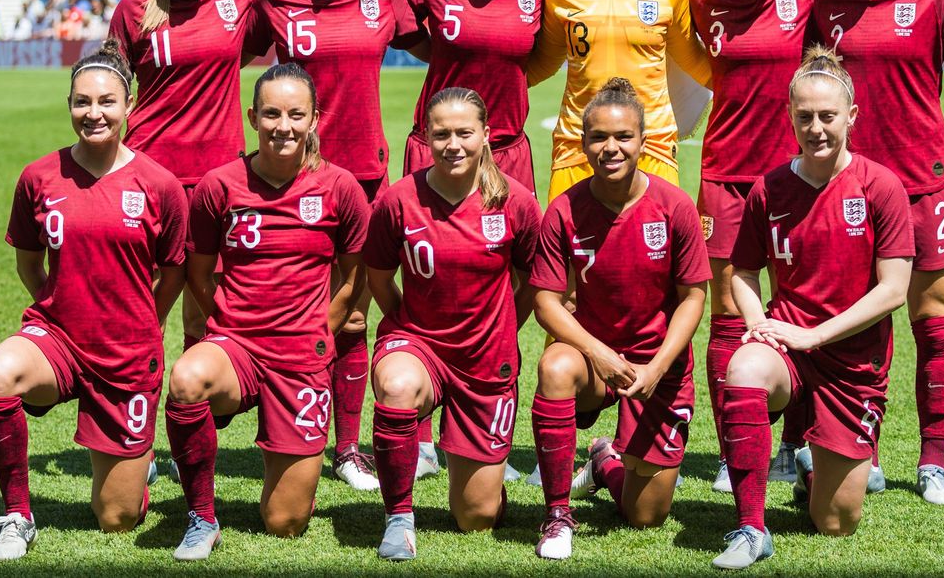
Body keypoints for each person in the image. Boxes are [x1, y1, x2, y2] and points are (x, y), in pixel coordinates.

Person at [687, 0, 944, 494]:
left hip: (795, 174)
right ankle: (735, 451)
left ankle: (808, 443)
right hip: (726, 173)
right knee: (729, 314)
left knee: (809, 303)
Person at [809, 0, 944, 506]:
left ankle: (932, 462)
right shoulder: (824, 2)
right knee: (858, 327)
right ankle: (866, 448)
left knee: (932, 323)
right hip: (852, 190)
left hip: (925, 184)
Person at [0, 41, 188, 560]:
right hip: (59, 339)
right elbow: (29, 262)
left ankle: (135, 470)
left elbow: (176, 271)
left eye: (106, 102)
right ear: (69, 103)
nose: (93, 113)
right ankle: (17, 514)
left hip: (127, 355)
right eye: (81, 102)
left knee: (116, 520)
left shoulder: (160, 185)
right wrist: (57, 304)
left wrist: (148, 323)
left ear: (129, 105)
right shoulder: (38, 177)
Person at [712, 47, 913, 570]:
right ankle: (752, 527)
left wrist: (817, 335)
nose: (816, 128)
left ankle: (808, 466)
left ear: (852, 116)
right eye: (805, 117)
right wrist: (758, 323)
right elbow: (743, 272)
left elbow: (893, 289)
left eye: (828, 116)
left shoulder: (880, 186)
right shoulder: (770, 188)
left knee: (836, 522)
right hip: (790, 347)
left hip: (853, 363)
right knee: (743, 368)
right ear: (790, 117)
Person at [163, 64, 368, 560]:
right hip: (237, 348)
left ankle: (290, 458)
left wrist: (324, 329)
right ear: (252, 117)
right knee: (188, 378)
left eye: (296, 115)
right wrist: (225, 322)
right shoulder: (218, 186)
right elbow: (198, 270)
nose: (284, 126)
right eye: (272, 114)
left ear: (314, 119)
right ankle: (201, 516)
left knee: (285, 522)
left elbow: (357, 273)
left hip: (301, 356)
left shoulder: (341, 188)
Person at [257, 0, 418, 492]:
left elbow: (445, 48)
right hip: (293, 182)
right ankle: (295, 424)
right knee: (300, 310)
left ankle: (348, 448)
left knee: (352, 314)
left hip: (369, 178)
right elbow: (223, 53)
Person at [398, 0, 548, 479]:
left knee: (516, 287)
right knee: (429, 283)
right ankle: (425, 425)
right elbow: (407, 34)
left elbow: (541, 53)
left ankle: (485, 424)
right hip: (438, 149)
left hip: (507, 150)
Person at [528, 78, 710, 560]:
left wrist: (656, 367)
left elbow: (694, 298)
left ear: (643, 140)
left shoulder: (674, 207)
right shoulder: (564, 210)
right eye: (598, 138)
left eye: (623, 137)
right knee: (554, 368)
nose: (611, 148)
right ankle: (557, 513)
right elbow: (545, 300)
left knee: (644, 514)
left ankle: (606, 459)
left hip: (657, 366)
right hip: (596, 361)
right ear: (583, 142)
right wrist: (599, 352)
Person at [363, 87, 541, 561]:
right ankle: (398, 518)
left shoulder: (516, 202)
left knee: (475, 518)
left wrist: (505, 325)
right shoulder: (400, 199)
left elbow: (534, 281)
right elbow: (379, 275)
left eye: (465, 132)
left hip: (486, 360)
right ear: (425, 137)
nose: (453, 144)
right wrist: (403, 324)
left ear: (486, 135)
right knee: (398, 386)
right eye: (441, 134)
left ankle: (484, 479)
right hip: (420, 344)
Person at [107, 0, 271, 360]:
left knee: (204, 307)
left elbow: (254, 45)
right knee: (144, 305)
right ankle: (127, 413)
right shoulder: (134, 8)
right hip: (148, 177)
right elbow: (111, 84)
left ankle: (192, 419)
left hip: (217, 180)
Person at [527, 0, 713, 204]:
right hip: (577, 145)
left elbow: (697, 64)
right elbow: (541, 63)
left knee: (652, 255)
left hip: (651, 145)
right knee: (571, 255)